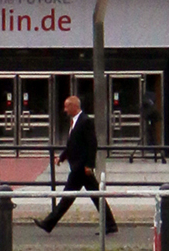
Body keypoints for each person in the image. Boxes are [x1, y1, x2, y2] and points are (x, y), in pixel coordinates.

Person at [36, 93, 118, 235]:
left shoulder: (85, 121)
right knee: (94, 196)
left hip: (81, 168)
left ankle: (48, 223)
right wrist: (62, 157)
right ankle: (110, 225)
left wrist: (89, 165)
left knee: (69, 197)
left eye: (67, 107)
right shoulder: (75, 121)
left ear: (74, 106)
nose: (65, 110)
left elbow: (92, 144)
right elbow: (72, 144)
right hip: (77, 166)